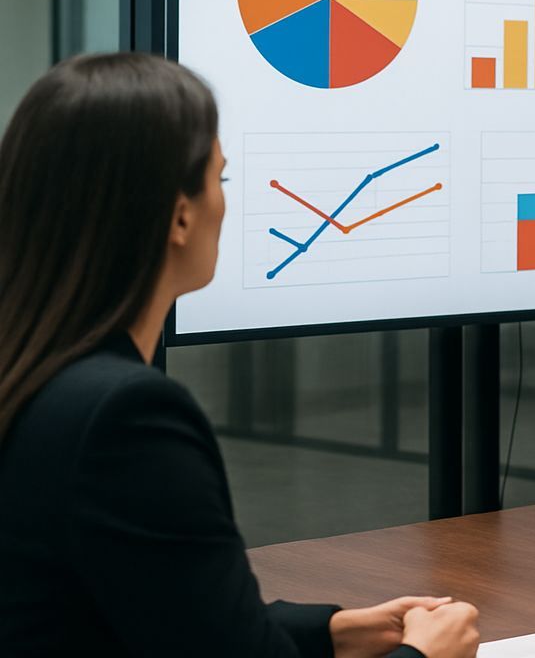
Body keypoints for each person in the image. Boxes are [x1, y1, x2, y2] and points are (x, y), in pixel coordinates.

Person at [0, 53, 481, 658]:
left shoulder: (34, 377)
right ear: (179, 215)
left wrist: (331, 632)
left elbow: (169, 612)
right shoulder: (126, 417)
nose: (226, 203)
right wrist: (426, 656)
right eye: (220, 180)